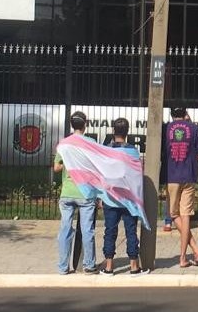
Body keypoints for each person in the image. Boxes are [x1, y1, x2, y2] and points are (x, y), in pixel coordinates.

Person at [53, 112, 99, 275]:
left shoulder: (64, 144)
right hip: (85, 192)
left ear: (72, 125)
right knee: (87, 229)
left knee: (65, 228)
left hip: (67, 192)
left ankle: (63, 266)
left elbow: (56, 168)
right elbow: (95, 166)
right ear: (85, 124)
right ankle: (89, 264)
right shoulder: (91, 143)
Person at [101, 118, 147, 275]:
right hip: (129, 199)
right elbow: (138, 173)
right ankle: (134, 266)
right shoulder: (133, 152)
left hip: (111, 198)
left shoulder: (106, 151)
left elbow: (103, 175)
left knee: (110, 231)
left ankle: (109, 267)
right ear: (127, 132)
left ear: (113, 131)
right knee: (131, 231)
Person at [164, 107, 198, 268]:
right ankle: (187, 254)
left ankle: (191, 251)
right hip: (189, 174)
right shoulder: (195, 129)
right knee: (186, 214)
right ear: (185, 113)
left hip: (172, 175)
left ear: (172, 115)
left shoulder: (166, 128)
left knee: (174, 214)